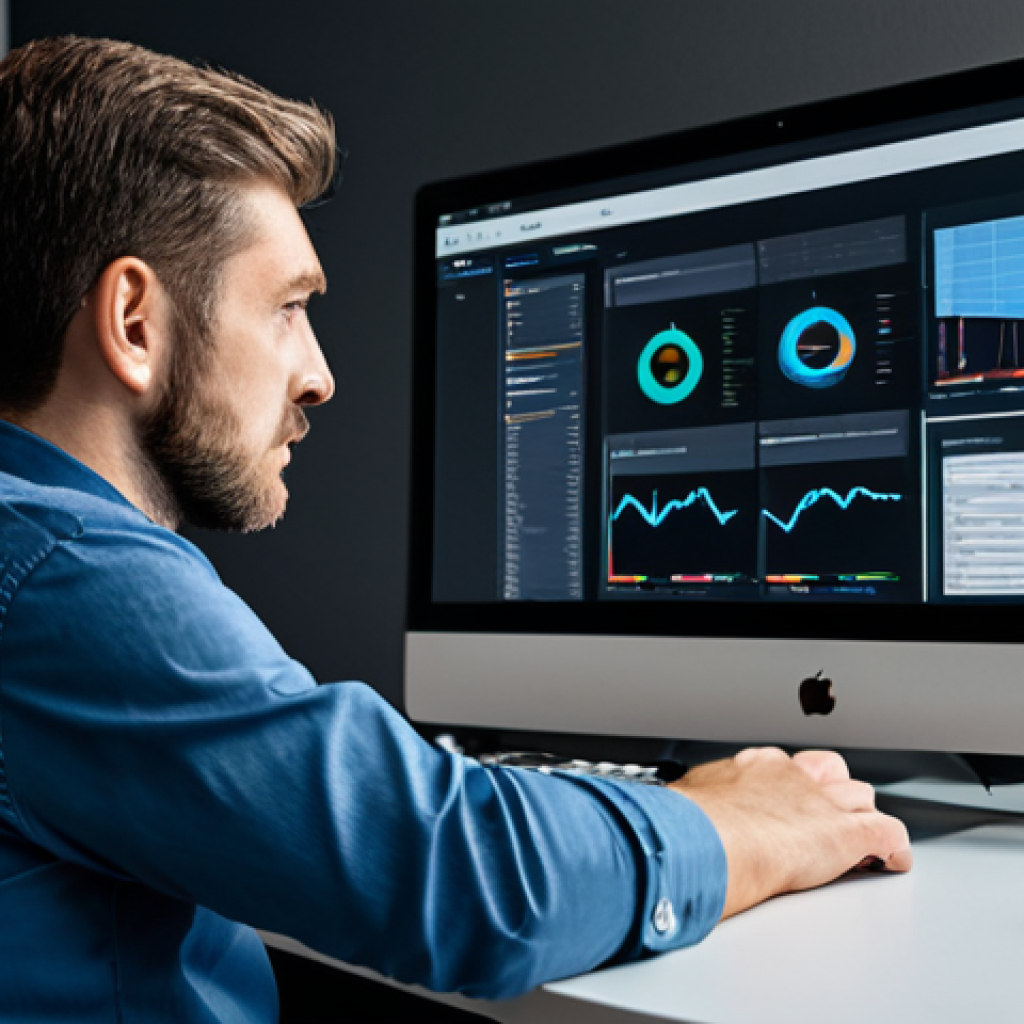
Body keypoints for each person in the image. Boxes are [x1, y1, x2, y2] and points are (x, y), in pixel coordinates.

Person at [0, 35, 912, 1022]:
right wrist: (734, 821)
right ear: (135, 322)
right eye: (288, 308)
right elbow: (459, 878)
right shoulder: (60, 575)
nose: (319, 374)